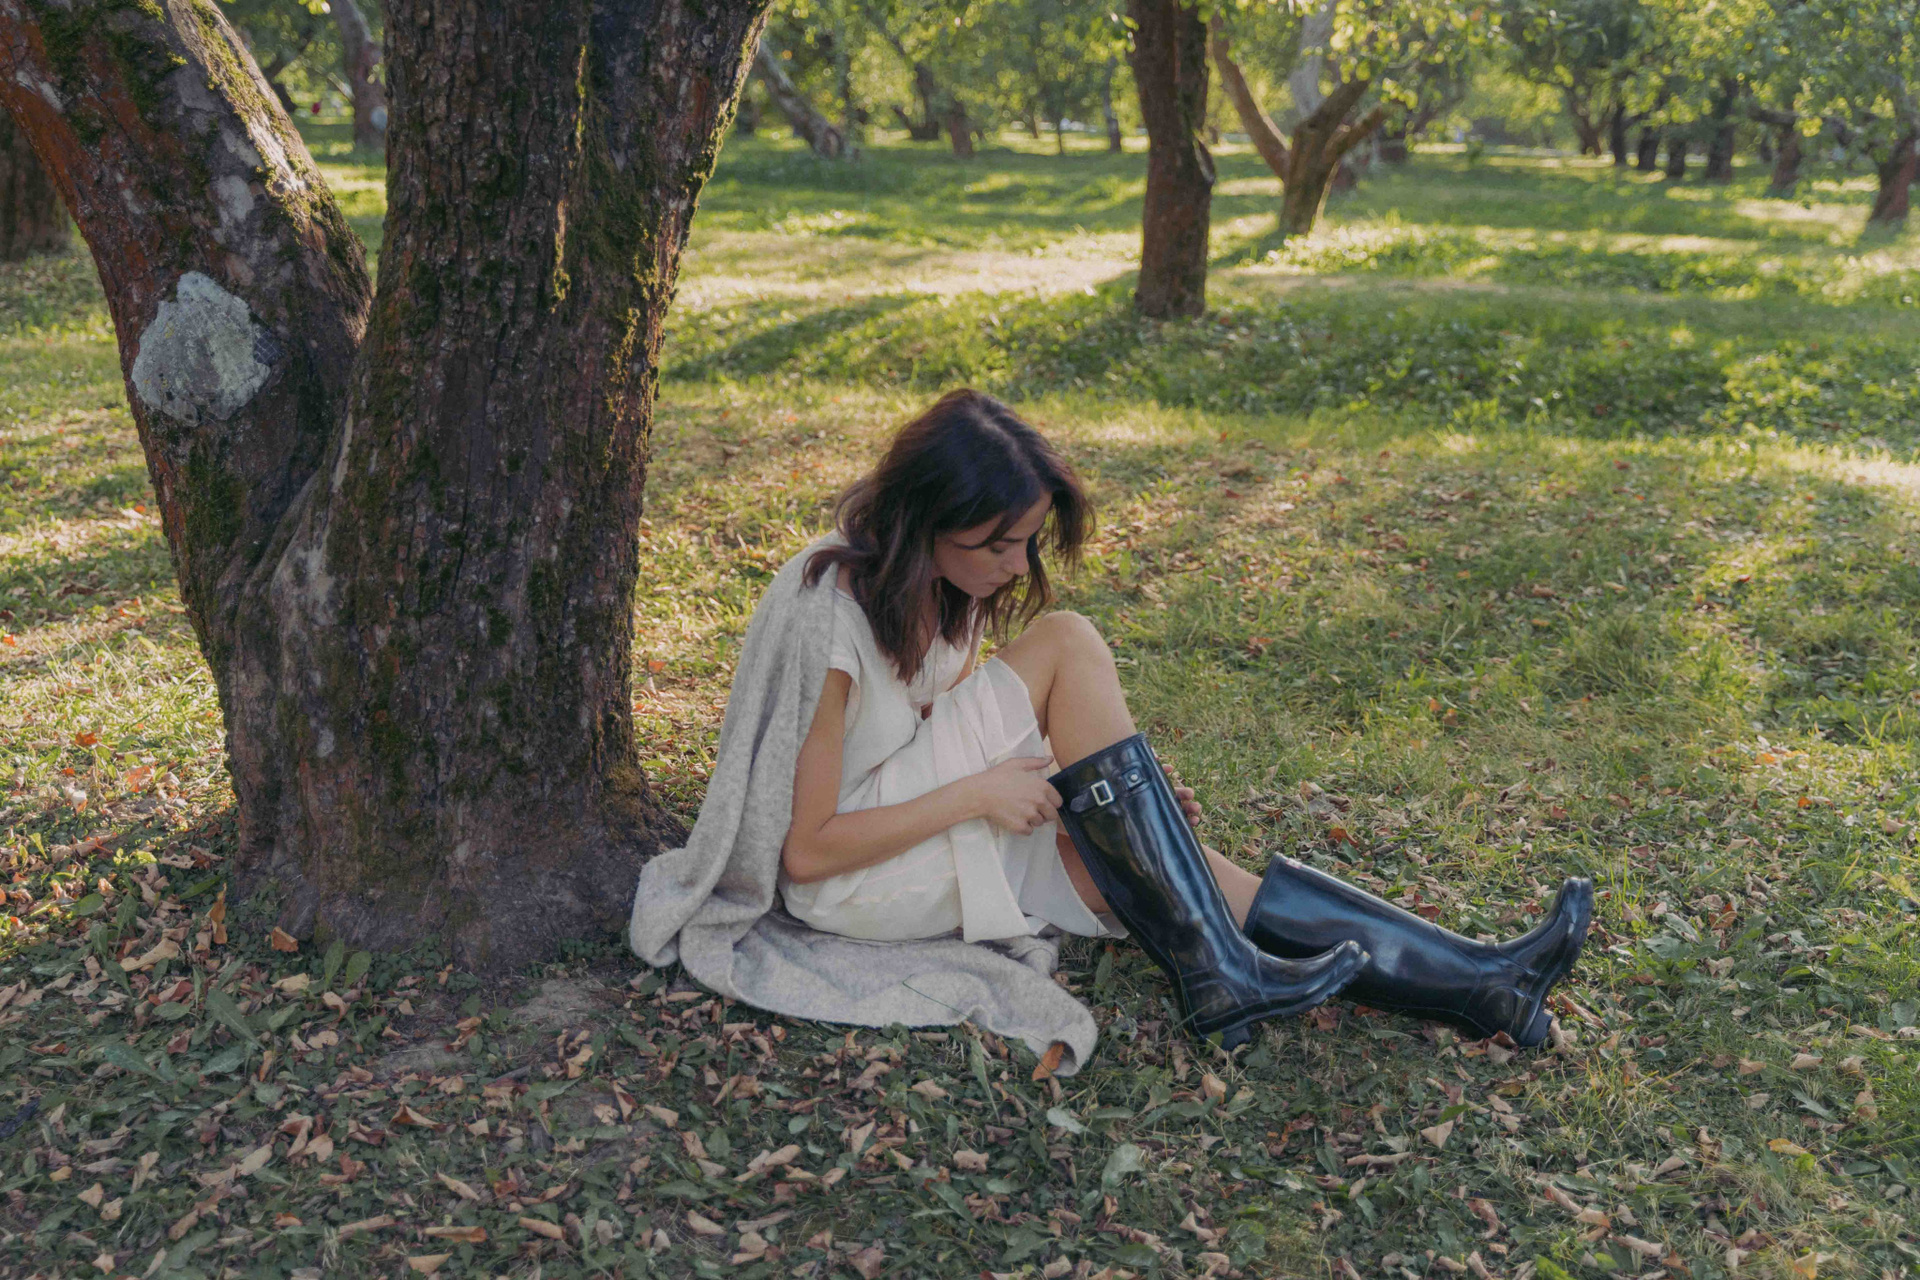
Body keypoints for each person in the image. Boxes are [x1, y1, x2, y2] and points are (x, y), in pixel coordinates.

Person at [769, 388, 1591, 1049]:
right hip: (855, 880)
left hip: (917, 831)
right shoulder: (830, 621)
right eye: (998, 544)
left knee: (1167, 866)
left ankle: (1483, 985)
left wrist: (1133, 807)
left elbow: (940, 737)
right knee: (1066, 640)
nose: (1018, 566)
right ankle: (1221, 970)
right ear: (930, 515)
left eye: (1028, 542)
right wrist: (979, 796)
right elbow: (807, 855)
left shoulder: (940, 584)